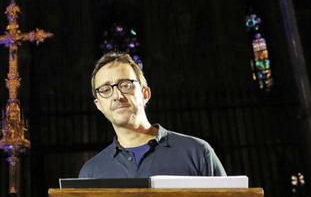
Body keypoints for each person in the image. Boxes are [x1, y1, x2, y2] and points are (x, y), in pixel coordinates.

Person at [79, 52, 226, 178]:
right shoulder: (91, 172)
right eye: (105, 90)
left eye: (125, 85)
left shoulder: (197, 152)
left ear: (145, 94)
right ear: (98, 105)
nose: (117, 96)